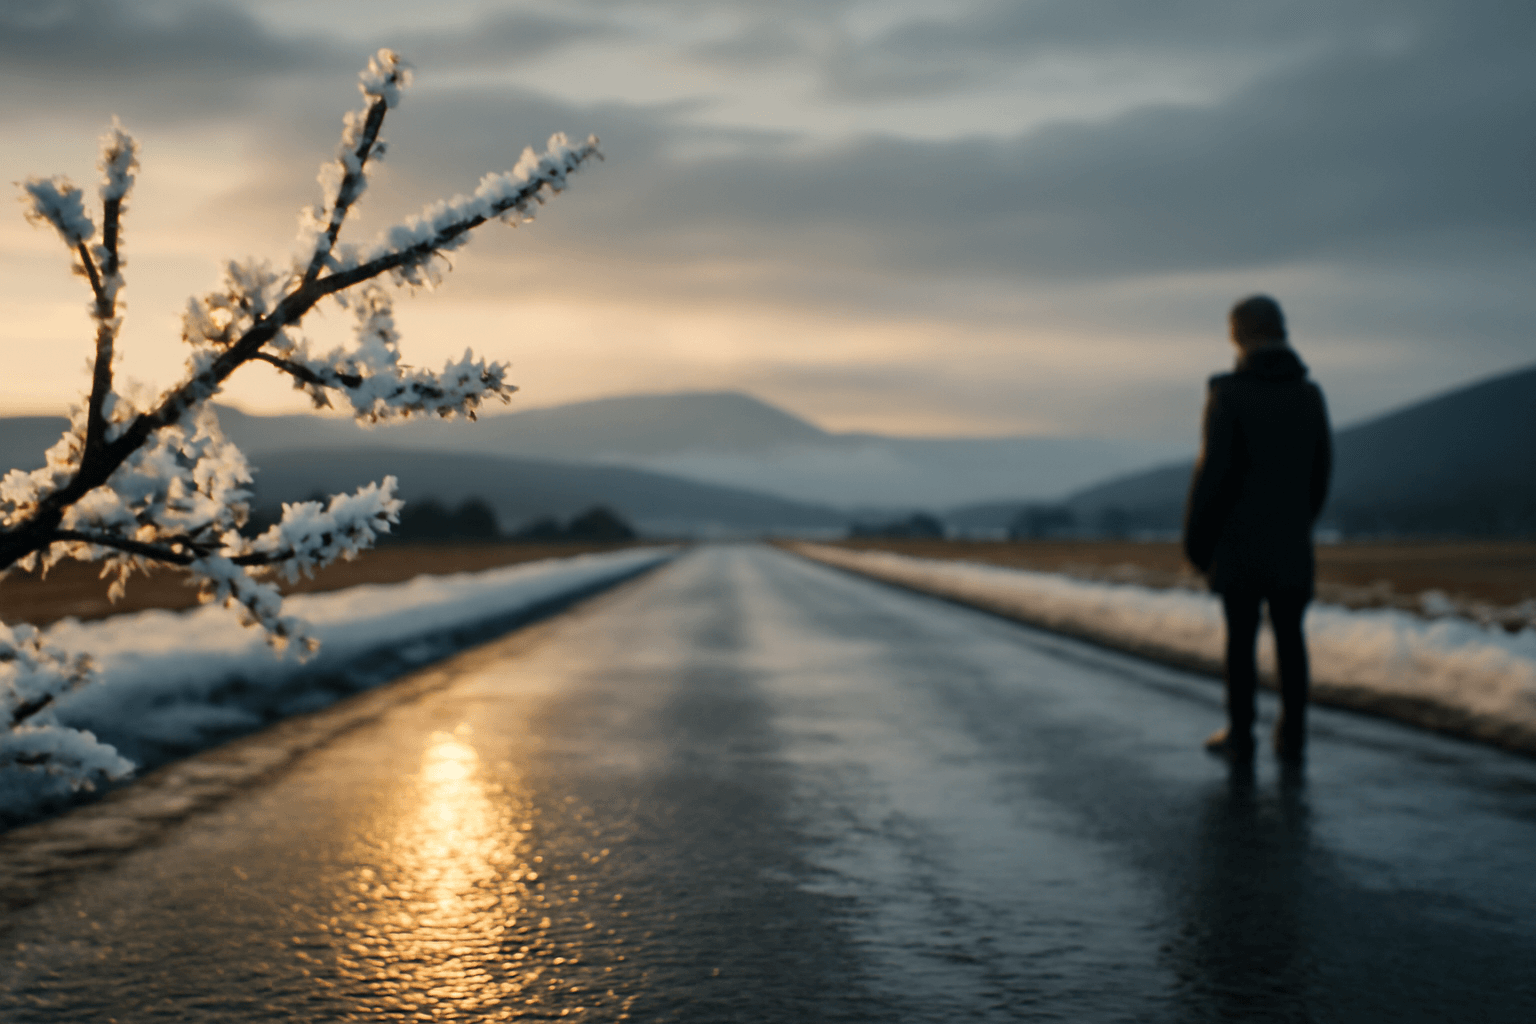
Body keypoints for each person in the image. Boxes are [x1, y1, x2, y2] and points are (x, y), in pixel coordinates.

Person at [1184, 295, 1332, 761]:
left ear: (1238, 334)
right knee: (1292, 637)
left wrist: (1197, 541)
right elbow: (1320, 472)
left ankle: (1241, 732)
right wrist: (1297, 522)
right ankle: (1293, 734)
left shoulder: (1229, 395)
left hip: (1239, 544)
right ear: (1282, 329)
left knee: (1241, 639)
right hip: (1291, 540)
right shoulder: (1309, 395)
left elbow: (1214, 476)